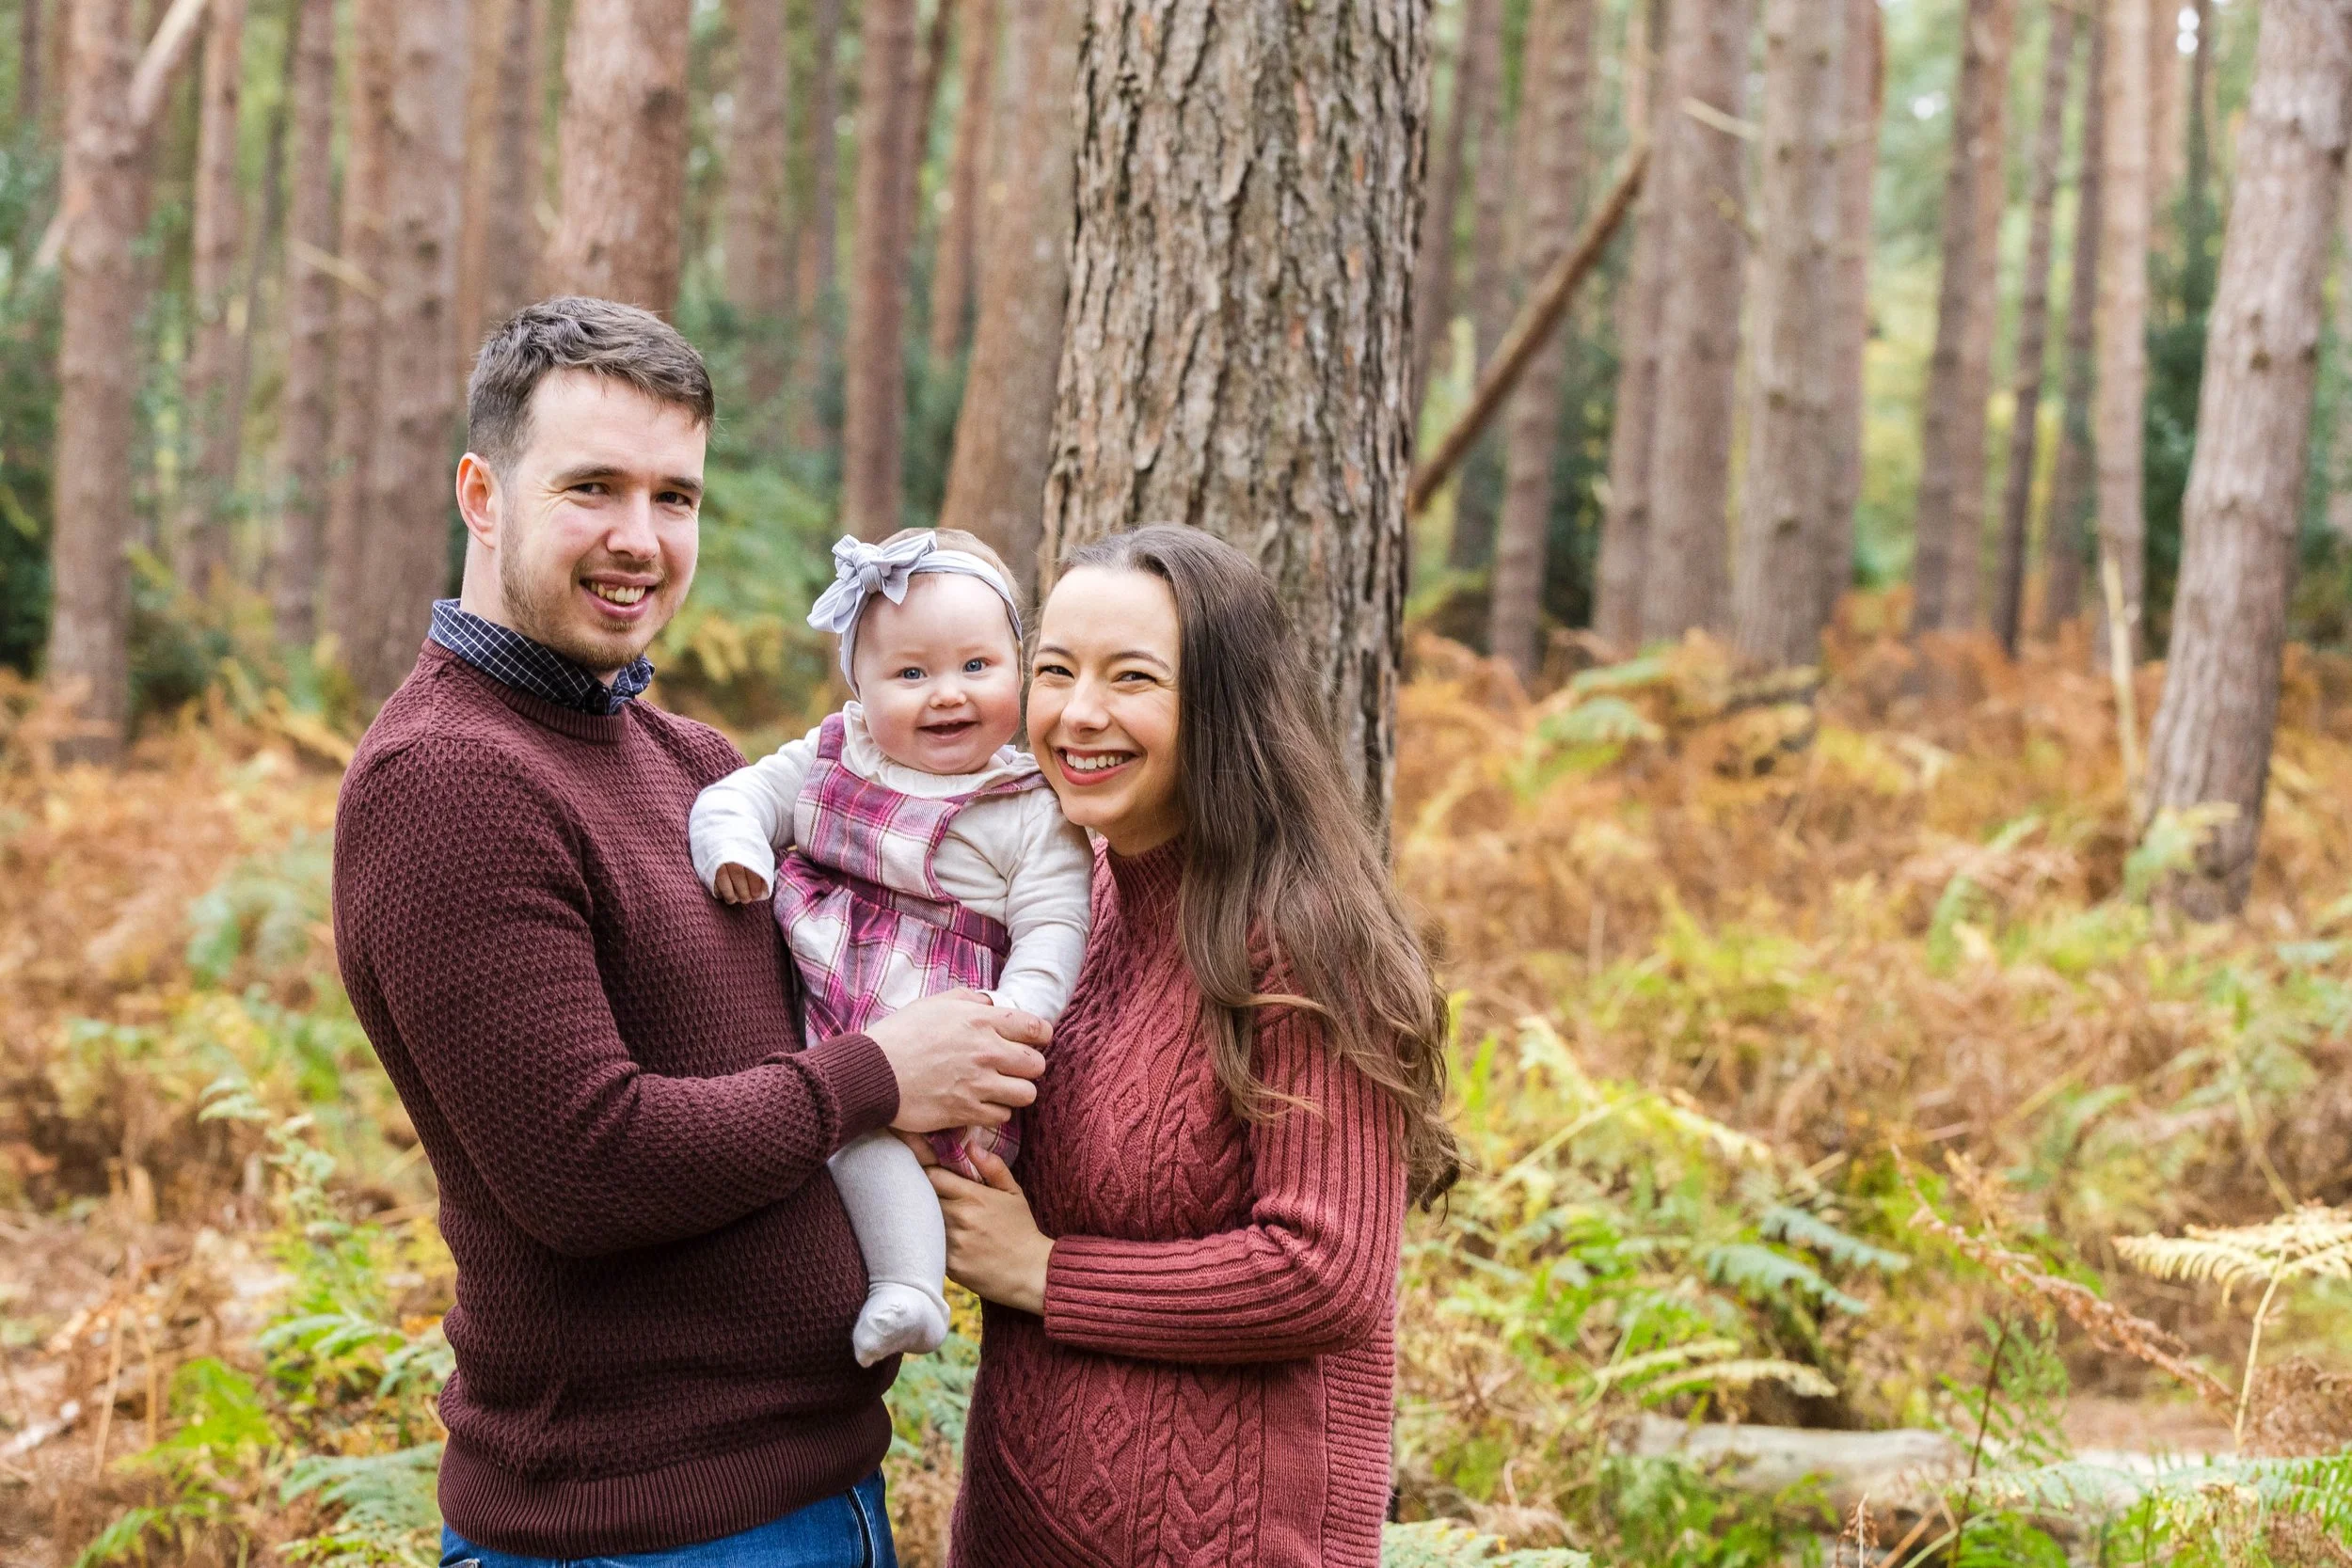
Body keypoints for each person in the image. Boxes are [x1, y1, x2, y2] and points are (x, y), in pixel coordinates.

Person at [332, 296, 1047, 1567]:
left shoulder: (694, 765)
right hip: (631, 1526)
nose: (641, 538)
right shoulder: (449, 780)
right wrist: (884, 1072)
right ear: (482, 496)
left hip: (818, 1487)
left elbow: (822, 1012)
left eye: (676, 496)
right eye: (593, 488)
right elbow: (584, 1164)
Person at [920, 526, 1463, 1567]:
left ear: (1221, 704)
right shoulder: (1074, 902)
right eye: (1055, 671)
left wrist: (1044, 1270)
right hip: (1016, 1527)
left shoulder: (1303, 935)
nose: (1079, 713)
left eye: (1132, 677)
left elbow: (1326, 1270)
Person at [689, 527, 1091, 1369]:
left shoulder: (1028, 805)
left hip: (949, 1036)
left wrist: (1010, 1020)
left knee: (878, 1142)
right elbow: (740, 796)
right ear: (860, 687)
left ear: (1018, 669)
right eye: (910, 674)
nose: (947, 694)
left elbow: (1054, 928)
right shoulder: (835, 754)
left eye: (976, 666)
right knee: (829, 1125)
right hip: (819, 1008)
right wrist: (737, 848)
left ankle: (909, 1286)